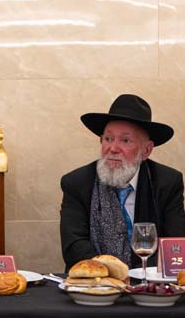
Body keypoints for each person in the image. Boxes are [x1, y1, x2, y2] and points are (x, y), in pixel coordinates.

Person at [60, 94, 185, 271]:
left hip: (148, 280)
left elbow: (175, 244)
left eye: (125, 140)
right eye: (108, 139)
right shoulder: (77, 182)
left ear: (146, 150)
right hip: (96, 281)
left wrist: (139, 277)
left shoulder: (167, 182)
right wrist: (113, 274)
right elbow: (74, 246)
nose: (113, 148)